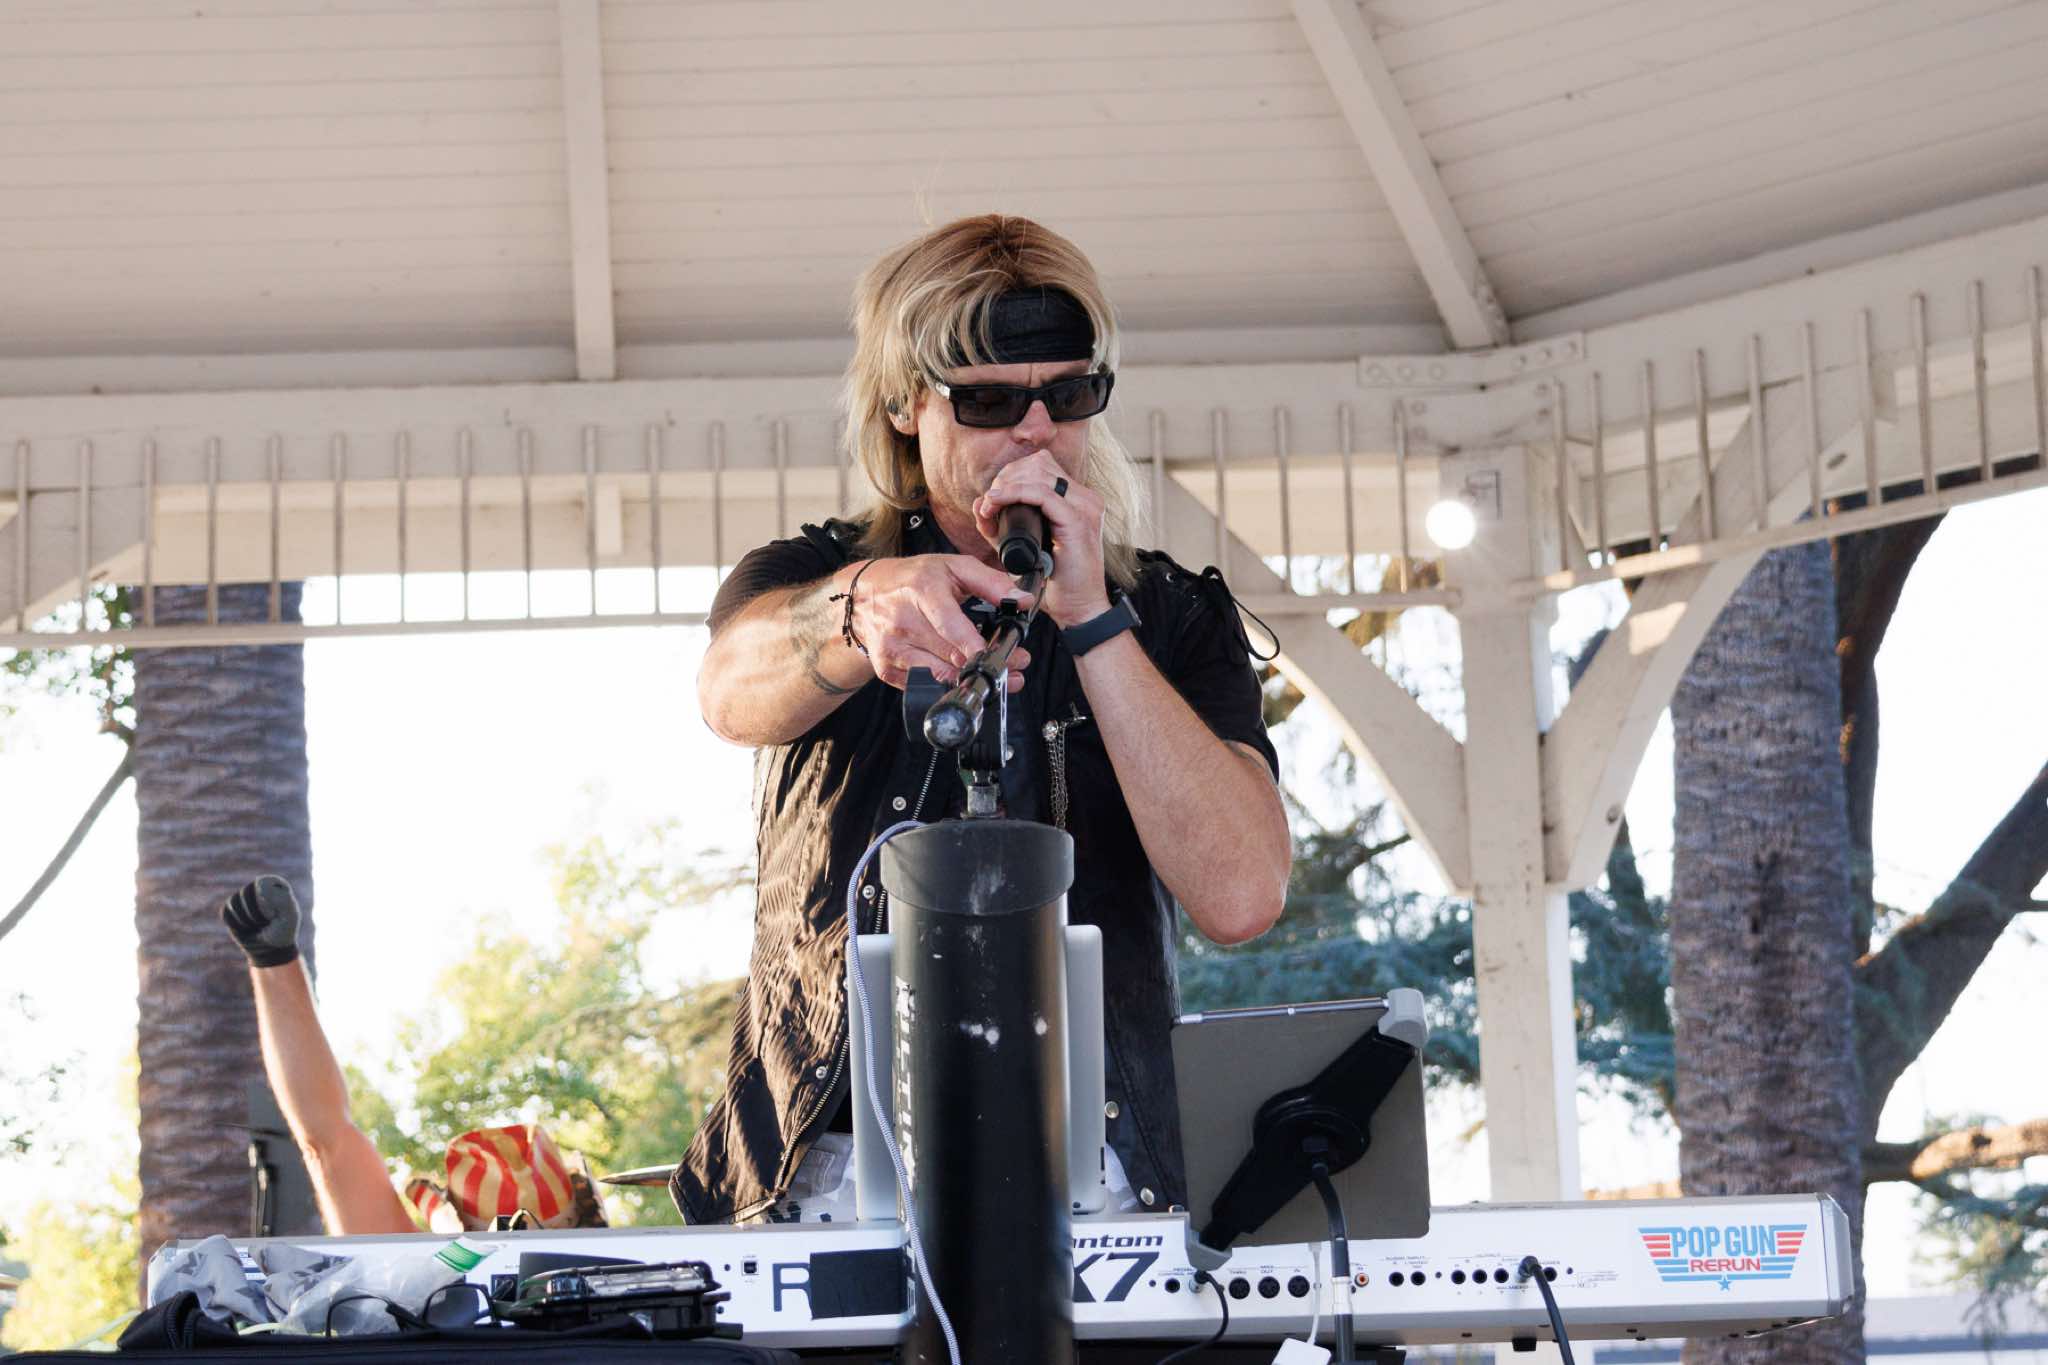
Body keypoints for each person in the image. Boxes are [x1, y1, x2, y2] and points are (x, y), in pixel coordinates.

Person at [677, 214, 1291, 1225]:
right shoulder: (813, 576)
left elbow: (1242, 895)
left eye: (1071, 394)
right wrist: (855, 612)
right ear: (903, 405)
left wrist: (1092, 619)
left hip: (1101, 1178)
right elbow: (727, 695)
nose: (1037, 430)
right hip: (824, 1173)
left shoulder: (1174, 616)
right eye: (990, 401)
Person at [219, 877, 605, 1235]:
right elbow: (327, 1139)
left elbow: (327, 1142)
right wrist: (274, 962)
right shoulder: (418, 1272)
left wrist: (273, 961)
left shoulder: (623, 1281)